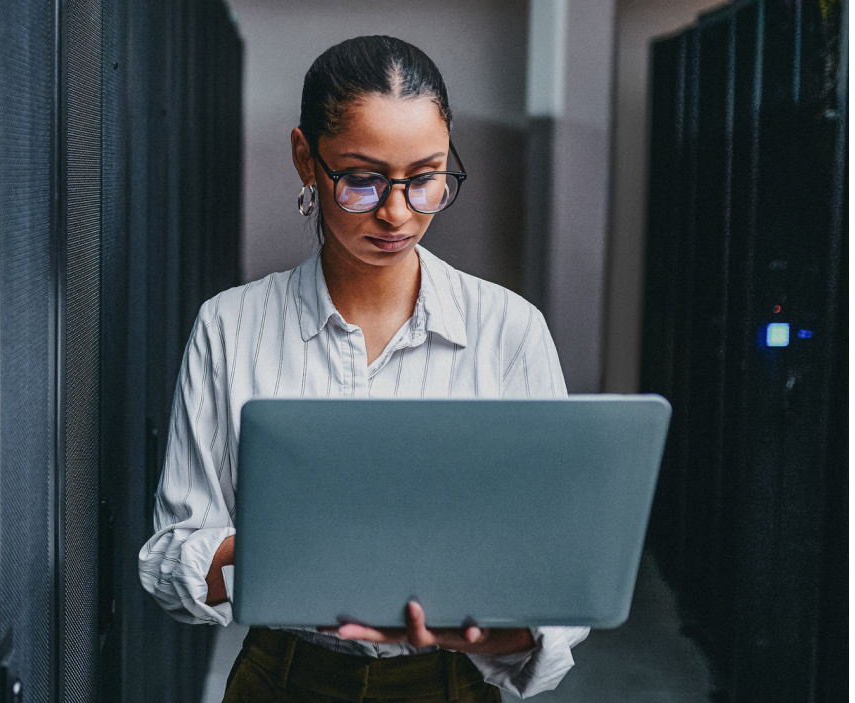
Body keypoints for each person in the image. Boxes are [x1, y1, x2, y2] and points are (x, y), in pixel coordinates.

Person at [139, 35, 589, 702]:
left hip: (448, 680)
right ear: (305, 159)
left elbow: (557, 579)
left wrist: (482, 635)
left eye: (426, 176)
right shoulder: (230, 326)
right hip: (283, 676)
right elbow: (172, 557)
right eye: (362, 179)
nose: (397, 211)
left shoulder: (507, 330)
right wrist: (280, 547)